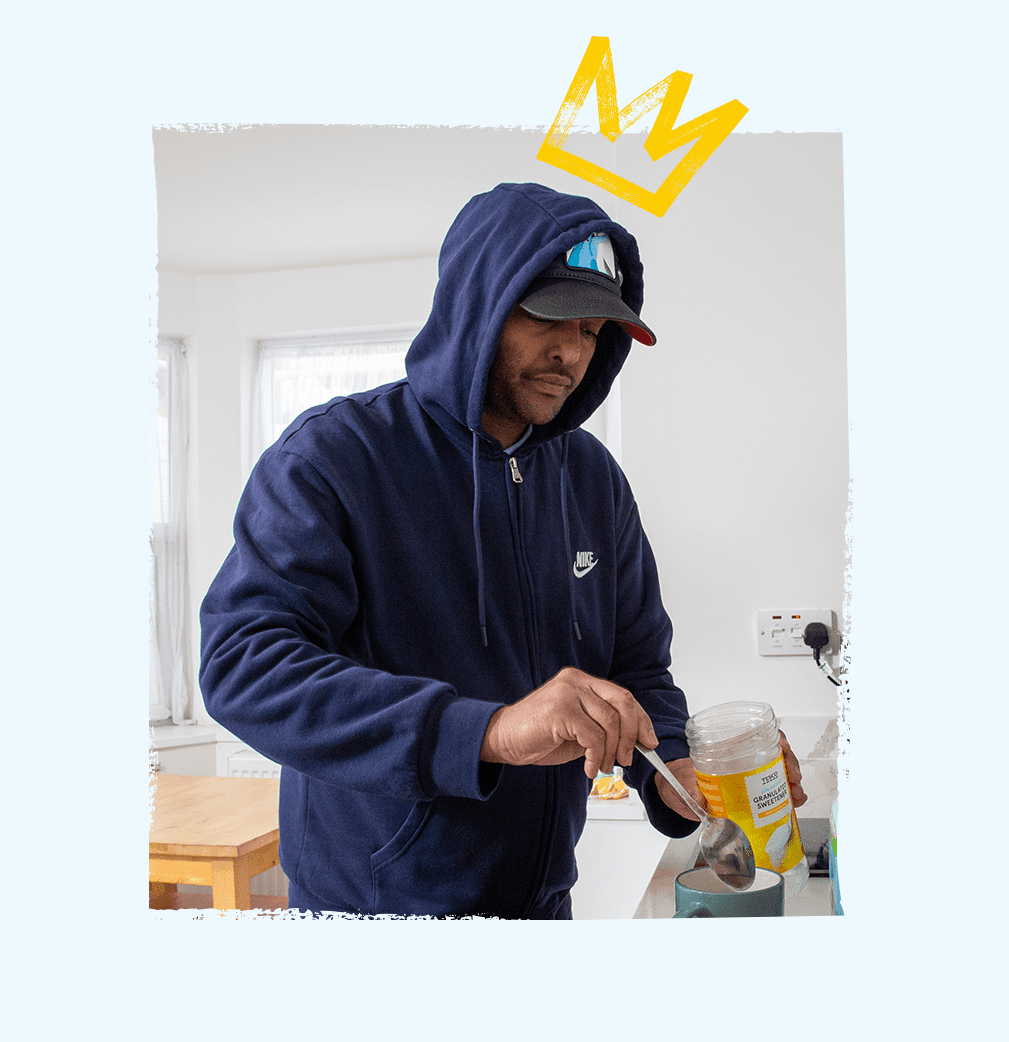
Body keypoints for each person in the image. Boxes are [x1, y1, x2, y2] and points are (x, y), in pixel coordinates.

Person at [199, 182, 805, 918]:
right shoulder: (333, 457)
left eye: (591, 331)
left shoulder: (589, 478)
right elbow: (244, 668)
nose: (570, 353)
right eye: (547, 319)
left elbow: (636, 666)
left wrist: (674, 774)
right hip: (375, 909)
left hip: (540, 901)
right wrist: (487, 731)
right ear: (476, 307)